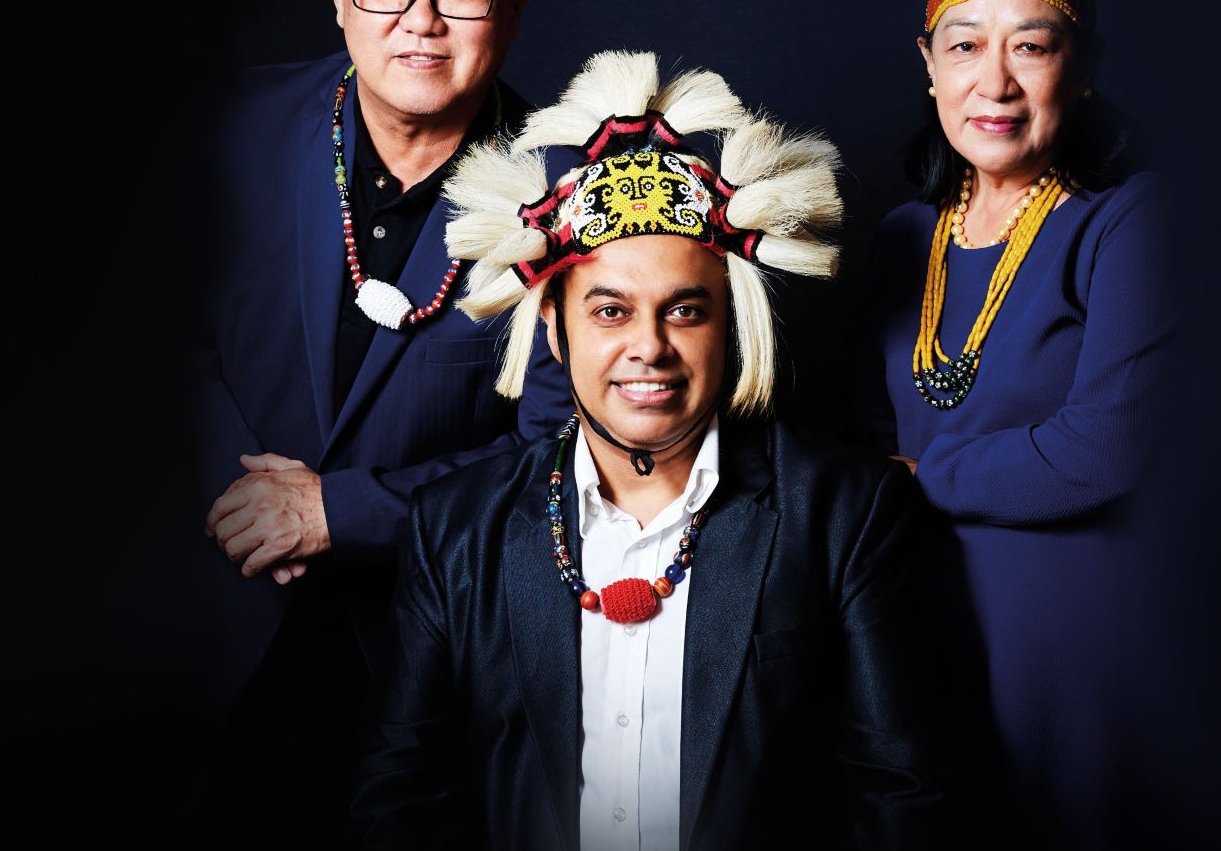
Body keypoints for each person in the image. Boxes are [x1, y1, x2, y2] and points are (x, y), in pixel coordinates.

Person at [353, 51, 945, 848]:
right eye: (609, 311)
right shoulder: (455, 530)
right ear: (555, 328)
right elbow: (398, 797)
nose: (649, 347)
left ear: (730, 326)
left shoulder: (843, 514)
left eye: (685, 311)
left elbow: (901, 794)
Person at [192, 0, 572, 837]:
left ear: (516, 2)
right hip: (198, 620)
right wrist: (237, 501)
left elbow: (567, 457)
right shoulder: (229, 127)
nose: (419, 18)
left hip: (434, 665)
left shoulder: (571, 194)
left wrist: (339, 510)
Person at [865, 0, 1177, 847]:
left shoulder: (1130, 221)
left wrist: (920, 477)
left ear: (1082, 69)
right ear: (929, 66)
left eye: (1031, 47)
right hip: (914, 631)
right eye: (965, 47)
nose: (994, 83)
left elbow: (1105, 447)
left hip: (1071, 652)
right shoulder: (902, 237)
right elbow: (851, 433)